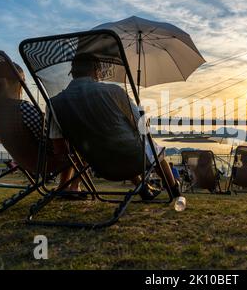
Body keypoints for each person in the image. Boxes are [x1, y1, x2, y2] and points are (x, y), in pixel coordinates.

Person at [49, 53, 181, 198]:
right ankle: (174, 190)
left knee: (114, 144)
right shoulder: (114, 91)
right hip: (132, 158)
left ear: (72, 73)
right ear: (97, 71)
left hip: (100, 166)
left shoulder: (53, 104)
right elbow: (142, 127)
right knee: (154, 150)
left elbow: (59, 147)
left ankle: (143, 188)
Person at [0, 61, 76, 192]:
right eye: (23, 80)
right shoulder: (23, 108)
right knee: (76, 142)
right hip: (45, 161)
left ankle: (66, 187)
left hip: (24, 161)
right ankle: (69, 187)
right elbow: (47, 139)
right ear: (12, 82)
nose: (23, 84)